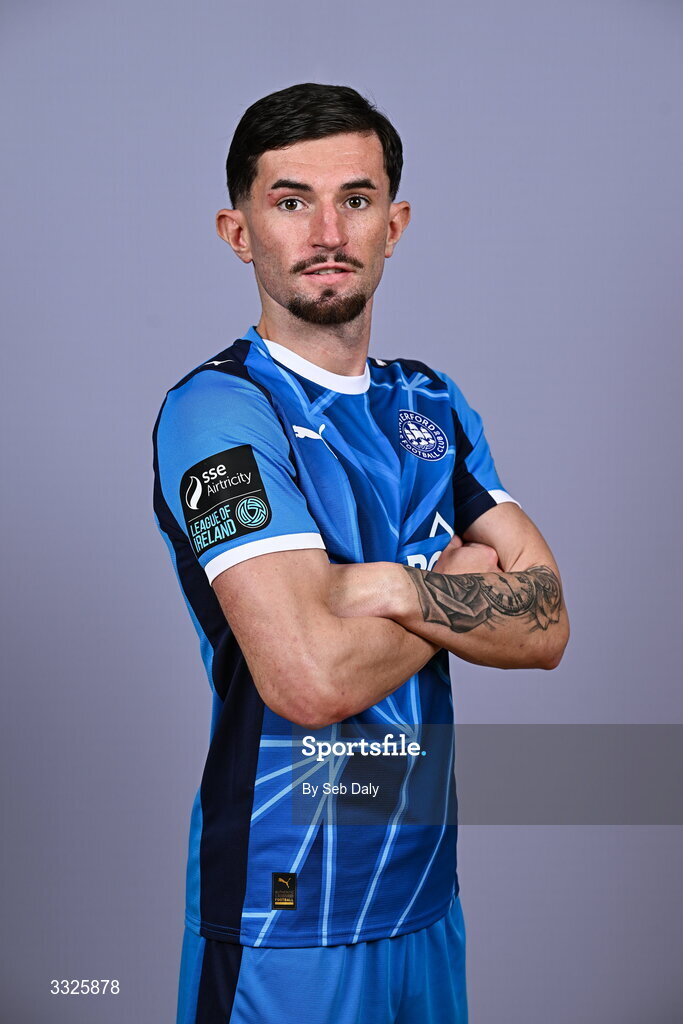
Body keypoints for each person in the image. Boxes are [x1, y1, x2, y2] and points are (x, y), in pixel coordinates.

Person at [152, 82, 569, 1024]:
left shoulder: (431, 403)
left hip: (424, 891)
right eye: (290, 201)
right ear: (238, 232)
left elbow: (546, 622)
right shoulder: (219, 412)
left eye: (356, 198)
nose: (327, 231)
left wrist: (383, 588)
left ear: (394, 223)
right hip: (286, 908)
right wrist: (450, 579)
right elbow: (308, 678)